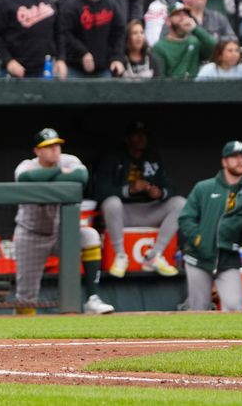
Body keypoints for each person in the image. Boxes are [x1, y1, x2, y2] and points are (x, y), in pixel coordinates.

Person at [13, 128, 114, 315]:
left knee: (90, 236)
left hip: (59, 233)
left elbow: (81, 176)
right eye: (48, 146)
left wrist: (47, 177)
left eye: (56, 145)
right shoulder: (27, 165)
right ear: (37, 151)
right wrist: (59, 172)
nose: (54, 150)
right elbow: (26, 178)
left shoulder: (70, 160)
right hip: (30, 234)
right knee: (25, 299)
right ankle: (22, 339)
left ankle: (92, 299)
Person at [179, 140, 242, 311]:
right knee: (199, 310)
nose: (239, 160)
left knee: (234, 307)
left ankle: (228, 339)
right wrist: (199, 240)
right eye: (234, 156)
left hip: (228, 258)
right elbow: (186, 218)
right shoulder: (204, 187)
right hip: (199, 257)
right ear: (224, 161)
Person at [95, 121, 186, 278]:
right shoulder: (113, 157)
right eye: (137, 135)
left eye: (144, 135)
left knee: (180, 203)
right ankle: (120, 256)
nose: (141, 138)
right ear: (127, 138)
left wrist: (160, 193)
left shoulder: (152, 157)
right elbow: (100, 191)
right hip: (123, 214)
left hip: (149, 211)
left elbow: (171, 187)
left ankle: (154, 255)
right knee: (111, 202)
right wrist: (129, 189)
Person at [57, 0, 125, 78]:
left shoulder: (110, 4)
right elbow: (63, 34)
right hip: (76, 69)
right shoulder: (71, 6)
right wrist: (82, 53)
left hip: (103, 69)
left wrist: (117, 57)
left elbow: (119, 32)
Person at [153, 2, 216, 78]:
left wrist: (195, 29)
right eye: (178, 15)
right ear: (168, 21)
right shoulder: (159, 47)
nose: (183, 18)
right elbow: (159, 79)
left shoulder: (194, 42)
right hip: (172, 88)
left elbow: (215, 49)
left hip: (194, 88)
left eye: (185, 15)